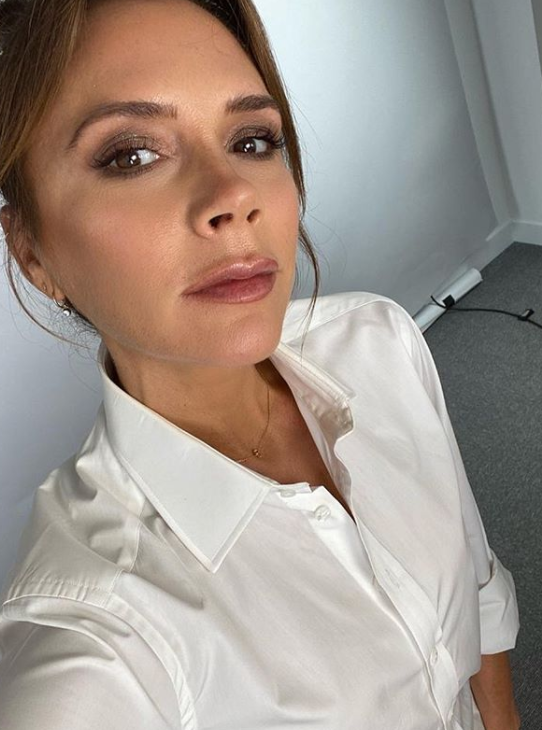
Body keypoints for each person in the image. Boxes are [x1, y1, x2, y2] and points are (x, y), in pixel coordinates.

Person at [0, 1, 520, 728]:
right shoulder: (96, 649)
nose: (234, 195)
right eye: (131, 156)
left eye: (251, 140)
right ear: (32, 252)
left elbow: (476, 583)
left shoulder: (378, 340)